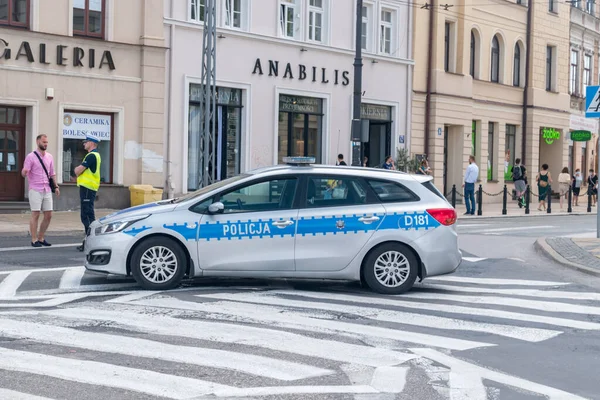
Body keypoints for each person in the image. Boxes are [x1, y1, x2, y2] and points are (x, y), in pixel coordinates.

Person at [21, 134, 60, 247]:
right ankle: (34, 240)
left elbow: (52, 173)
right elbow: (24, 172)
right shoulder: (30, 157)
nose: (45, 144)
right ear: (38, 142)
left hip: (47, 188)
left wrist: (56, 186)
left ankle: (41, 237)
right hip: (35, 189)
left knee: (49, 215)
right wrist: (24, 172)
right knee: (36, 214)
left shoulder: (49, 157)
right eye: (43, 142)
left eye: (47, 142)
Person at [74, 134, 102, 251]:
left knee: (87, 215)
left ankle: (91, 242)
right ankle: (89, 241)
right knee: (88, 214)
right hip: (89, 188)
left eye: (86, 142)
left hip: (87, 188)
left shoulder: (91, 156)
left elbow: (77, 171)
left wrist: (77, 170)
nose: (84, 144)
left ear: (91, 143)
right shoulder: (94, 155)